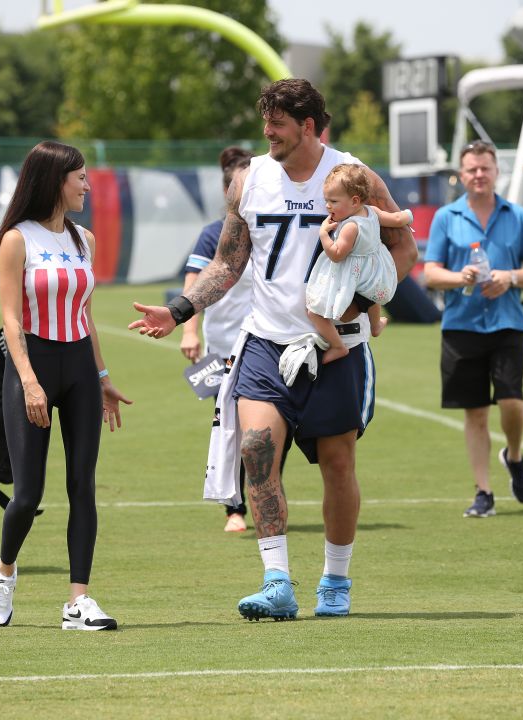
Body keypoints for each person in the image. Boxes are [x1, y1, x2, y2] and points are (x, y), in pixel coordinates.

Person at [130, 78, 417, 620]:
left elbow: (404, 248)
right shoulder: (251, 180)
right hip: (265, 341)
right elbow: (227, 262)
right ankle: (277, 580)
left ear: (307, 126)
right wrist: (180, 310)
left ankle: (335, 579)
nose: (267, 134)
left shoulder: (352, 175)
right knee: (256, 450)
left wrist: (363, 301)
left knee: (337, 462)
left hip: (337, 345)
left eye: (278, 124)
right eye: (265, 122)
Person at [0, 141, 133, 630]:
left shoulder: (83, 239)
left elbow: (85, 316)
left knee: (82, 486)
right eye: (81, 178)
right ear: (56, 180)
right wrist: (28, 381)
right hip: (34, 365)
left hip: (80, 371)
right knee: (27, 493)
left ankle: (78, 602)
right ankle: (4, 573)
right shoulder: (15, 240)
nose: (88, 186)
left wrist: (104, 377)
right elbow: (9, 319)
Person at [423, 140, 523, 519]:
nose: (478, 175)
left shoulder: (518, 216)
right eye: (471, 169)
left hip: (507, 322)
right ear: (461, 175)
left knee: (511, 400)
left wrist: (509, 277)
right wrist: (461, 276)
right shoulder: (447, 217)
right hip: (461, 325)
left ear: (496, 172)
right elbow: (430, 273)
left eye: (485, 168)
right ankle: (484, 491)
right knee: (475, 413)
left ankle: (514, 454)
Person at [180, 146, 255, 533]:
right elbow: (194, 281)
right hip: (224, 344)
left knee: (268, 425)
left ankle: (259, 492)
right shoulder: (213, 234)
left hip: (270, 339)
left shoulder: (270, 227)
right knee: (234, 426)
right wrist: (190, 330)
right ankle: (234, 507)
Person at [307, 162, 415, 362]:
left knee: (314, 311)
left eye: (333, 201)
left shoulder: (350, 227)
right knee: (371, 293)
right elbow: (396, 219)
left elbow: (337, 254)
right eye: (326, 200)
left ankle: (338, 345)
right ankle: (375, 326)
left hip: (352, 272)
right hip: (373, 269)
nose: (327, 206)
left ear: (355, 201)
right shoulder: (372, 211)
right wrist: (408, 216)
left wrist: (324, 235)